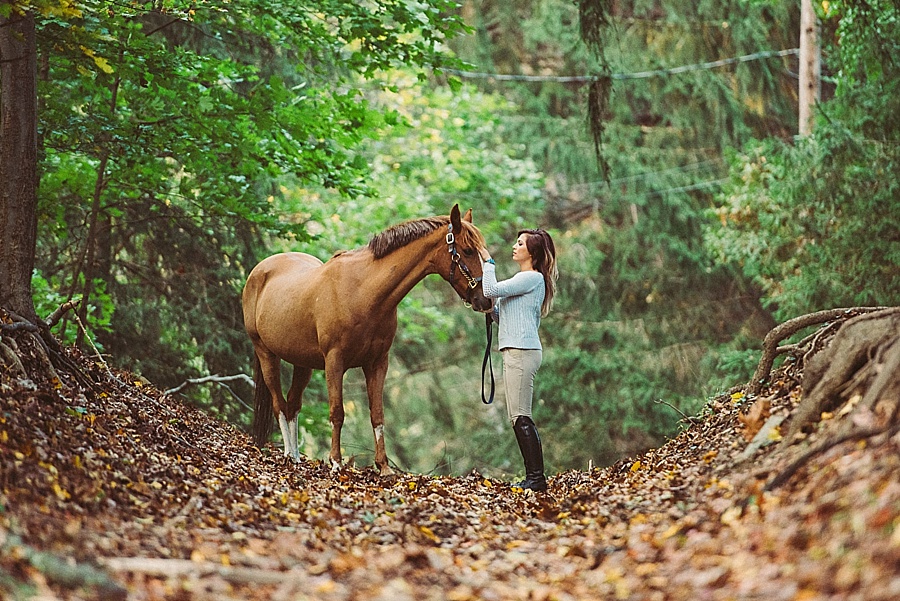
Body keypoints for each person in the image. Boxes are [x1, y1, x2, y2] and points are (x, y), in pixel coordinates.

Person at [479, 229, 558, 492]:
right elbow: (504, 316)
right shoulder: (525, 279)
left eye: (520, 243)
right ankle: (533, 476)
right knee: (518, 417)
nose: (515, 246)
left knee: (522, 417)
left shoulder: (532, 278)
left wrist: (487, 262)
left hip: (522, 352)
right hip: (516, 350)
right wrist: (491, 310)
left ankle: (536, 478)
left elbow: (490, 288)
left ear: (532, 253)